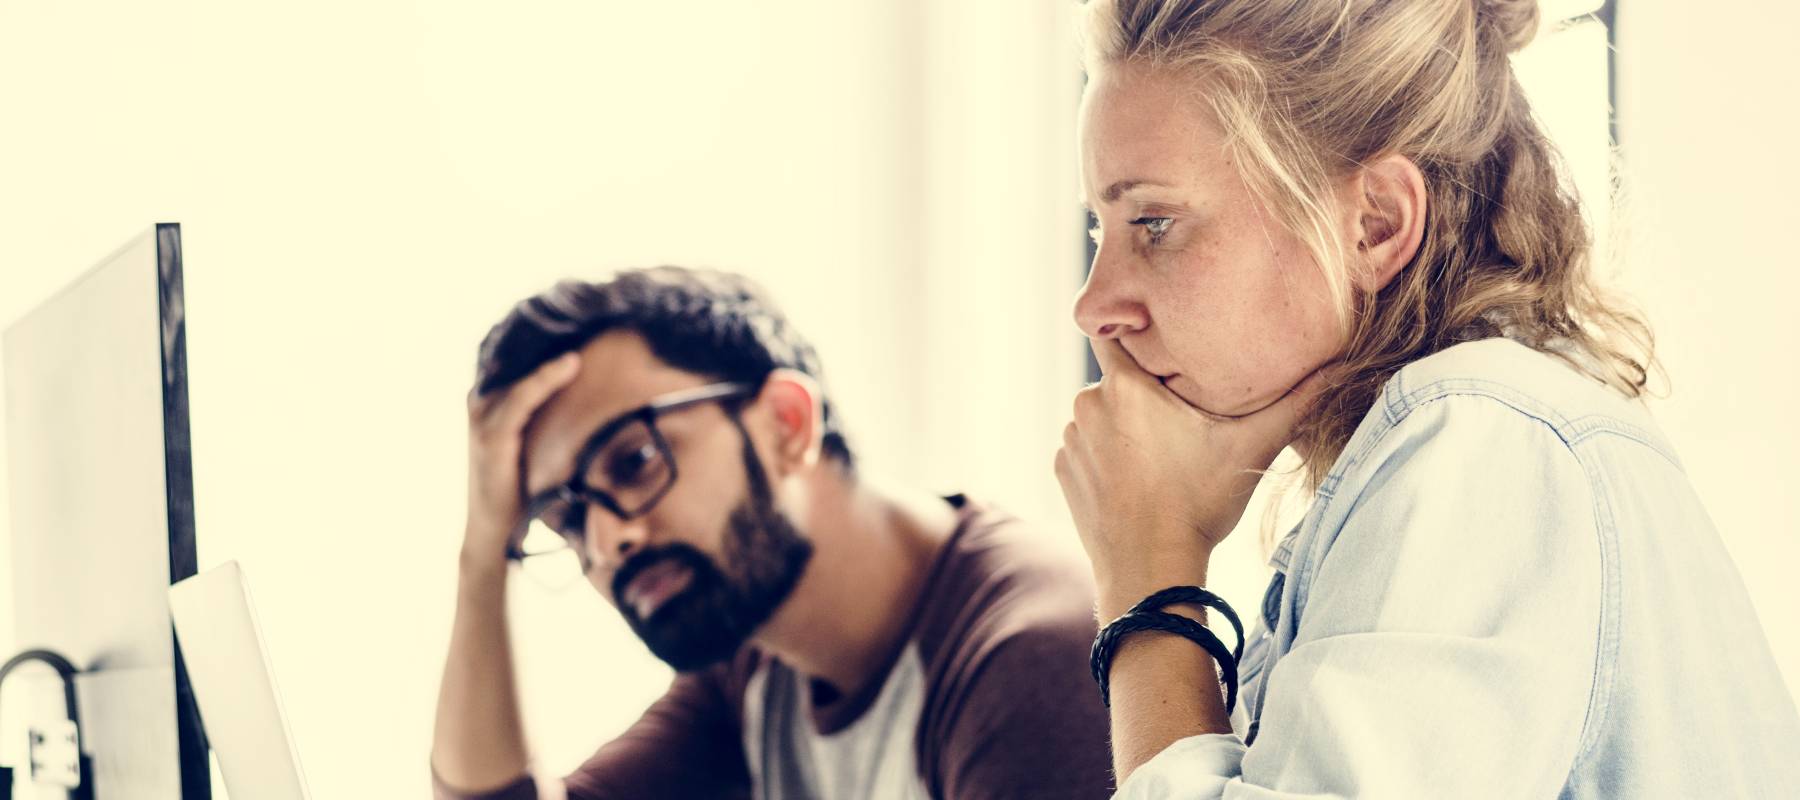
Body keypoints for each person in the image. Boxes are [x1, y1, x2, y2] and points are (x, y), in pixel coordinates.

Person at [1055, 0, 1800, 797]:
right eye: (1102, 230)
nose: (1094, 304)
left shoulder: (1481, 442)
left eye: (1156, 223)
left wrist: (1149, 576)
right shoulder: (1467, 444)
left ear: (1374, 225)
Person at [431, 266, 1113, 799]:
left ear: (787, 424)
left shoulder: (1029, 665)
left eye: (634, 461)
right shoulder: (757, 662)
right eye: (565, 518)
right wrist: (483, 556)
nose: (606, 542)